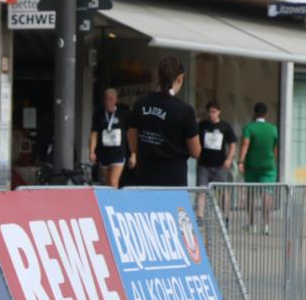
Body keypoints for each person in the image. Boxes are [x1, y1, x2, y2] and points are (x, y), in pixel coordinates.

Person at [127, 56, 201, 187]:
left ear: (158, 76)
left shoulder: (141, 103)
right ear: (179, 78)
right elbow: (195, 151)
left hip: (145, 175)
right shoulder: (185, 110)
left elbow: (132, 143)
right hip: (173, 179)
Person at [239, 102, 280, 234]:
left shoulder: (249, 127)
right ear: (265, 114)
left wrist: (241, 161)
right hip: (268, 166)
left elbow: (245, 144)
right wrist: (271, 160)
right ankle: (266, 225)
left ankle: (252, 224)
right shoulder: (273, 129)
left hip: (251, 166)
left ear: (255, 113)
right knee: (267, 194)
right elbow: (275, 148)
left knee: (251, 194)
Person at [195, 100, 236, 223]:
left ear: (219, 112)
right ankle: (200, 217)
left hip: (220, 164)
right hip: (204, 164)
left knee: (224, 191)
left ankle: (226, 217)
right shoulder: (202, 125)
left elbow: (233, 144)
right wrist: (197, 156)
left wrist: (229, 159)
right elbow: (195, 141)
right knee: (201, 190)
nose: (211, 114)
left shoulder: (225, 126)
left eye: (213, 112)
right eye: (209, 112)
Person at [89, 88, 134, 188]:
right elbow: (94, 133)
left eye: (110, 99)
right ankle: (109, 203)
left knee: (113, 181)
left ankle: (115, 203)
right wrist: (92, 150)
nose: (108, 102)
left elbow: (130, 134)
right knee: (107, 183)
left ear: (115, 100)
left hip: (118, 153)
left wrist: (133, 153)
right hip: (104, 153)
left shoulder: (123, 113)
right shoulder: (99, 113)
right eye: (106, 100)